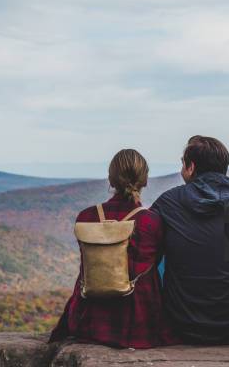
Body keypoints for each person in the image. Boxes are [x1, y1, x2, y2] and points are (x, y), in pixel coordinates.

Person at [48, 149, 180, 348]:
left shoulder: (86, 217)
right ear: (144, 181)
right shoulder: (151, 221)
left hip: (89, 320)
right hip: (139, 323)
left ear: (110, 180)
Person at [151, 136, 229, 344]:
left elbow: (149, 257)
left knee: (162, 248)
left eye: (182, 163)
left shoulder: (167, 204)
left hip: (177, 324)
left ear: (191, 167)